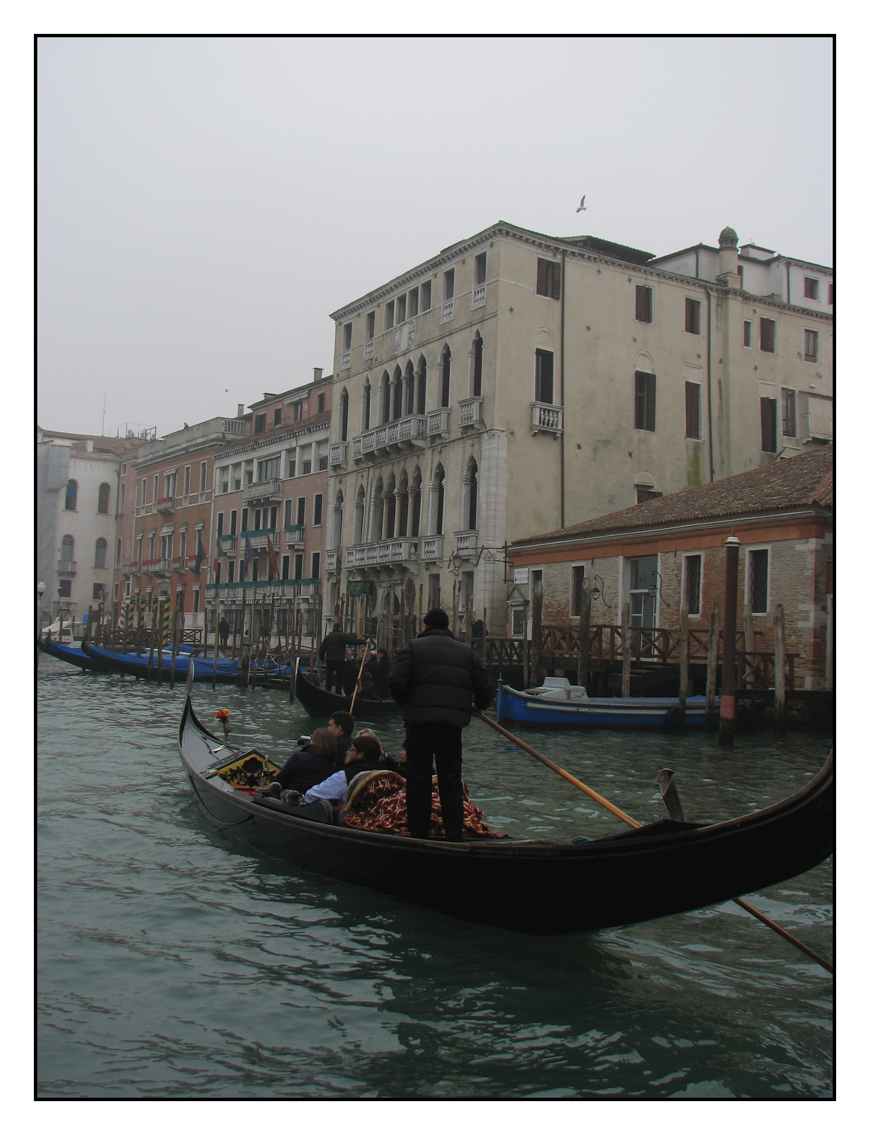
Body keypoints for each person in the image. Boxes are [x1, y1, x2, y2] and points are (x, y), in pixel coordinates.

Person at [389, 608, 493, 841]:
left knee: (419, 781)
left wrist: (408, 703)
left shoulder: (412, 648)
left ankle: (418, 834)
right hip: (451, 725)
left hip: (418, 724)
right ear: (448, 628)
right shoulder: (466, 652)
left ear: (425, 626)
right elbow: (486, 688)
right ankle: (454, 835)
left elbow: (396, 681)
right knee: (450, 780)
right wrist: (478, 704)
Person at [302, 733, 384, 808]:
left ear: (360, 755)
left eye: (352, 750)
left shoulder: (345, 776)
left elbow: (311, 795)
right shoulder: (386, 773)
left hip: (353, 821)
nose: (349, 753)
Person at [268, 727, 338, 796]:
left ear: (313, 741)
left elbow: (280, 780)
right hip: (315, 803)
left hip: (290, 801)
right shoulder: (332, 766)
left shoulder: (298, 757)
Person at [319, 622, 364, 692]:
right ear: (340, 629)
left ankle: (327, 691)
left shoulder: (328, 637)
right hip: (339, 660)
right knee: (339, 678)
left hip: (329, 660)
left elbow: (321, 649)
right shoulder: (343, 636)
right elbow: (353, 641)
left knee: (328, 678)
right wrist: (364, 641)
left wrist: (322, 659)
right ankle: (338, 692)